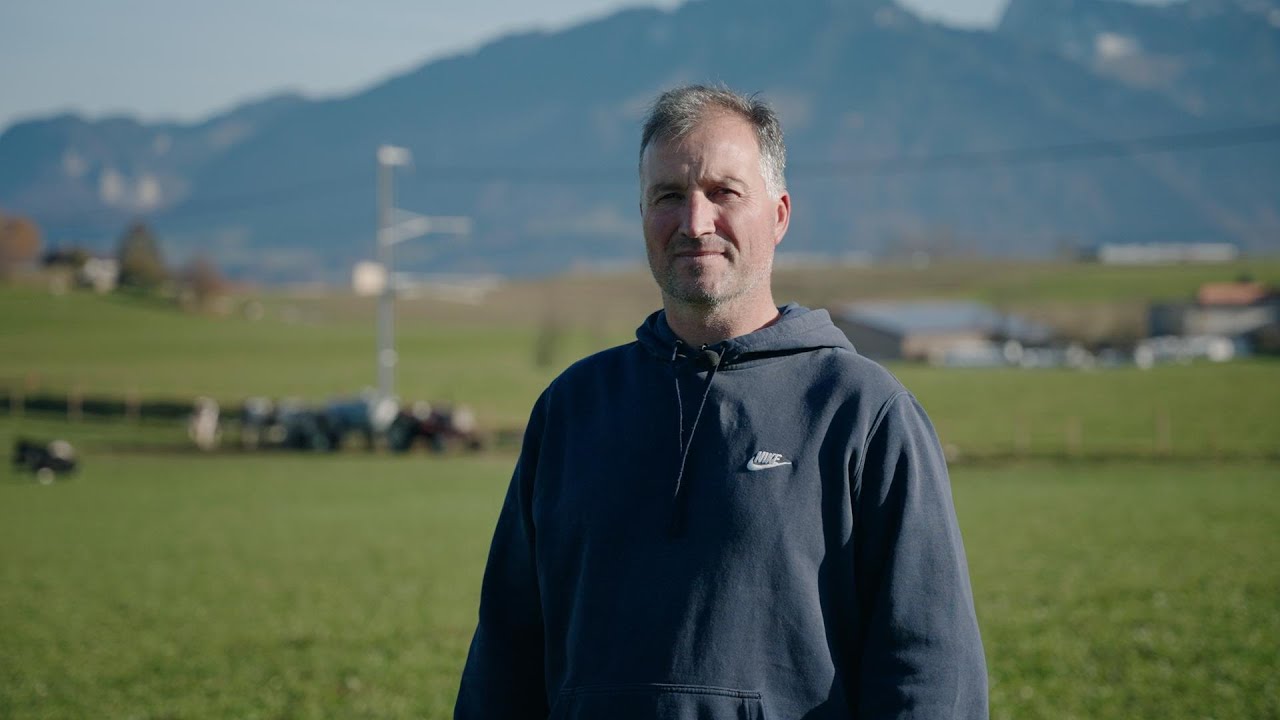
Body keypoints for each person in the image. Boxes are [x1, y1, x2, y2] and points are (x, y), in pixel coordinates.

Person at [455, 85, 988, 719]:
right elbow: (506, 652)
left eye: (724, 193)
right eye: (668, 197)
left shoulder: (863, 413)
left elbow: (930, 669)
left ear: (780, 214)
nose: (695, 222)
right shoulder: (573, 409)